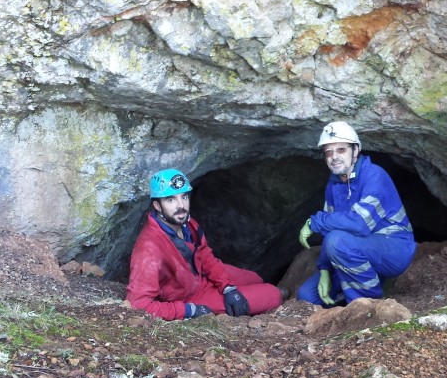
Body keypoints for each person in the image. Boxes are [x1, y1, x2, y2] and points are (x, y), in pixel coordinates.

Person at [127, 168, 284, 321]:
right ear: (157, 205)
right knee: (273, 295)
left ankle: (272, 290)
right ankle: (282, 293)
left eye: (184, 197)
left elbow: (205, 256)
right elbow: (140, 304)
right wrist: (189, 310)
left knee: (254, 277)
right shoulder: (149, 250)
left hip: (201, 276)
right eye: (170, 200)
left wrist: (227, 287)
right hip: (189, 296)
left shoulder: (185, 223)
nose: (180, 205)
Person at [296, 121, 416, 307]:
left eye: (341, 150)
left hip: (394, 248)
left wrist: (315, 222)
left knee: (338, 241)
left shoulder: (374, 175)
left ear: (356, 150)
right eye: (328, 152)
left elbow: (360, 224)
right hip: (358, 249)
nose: (334, 157)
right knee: (307, 296)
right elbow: (330, 234)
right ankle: (357, 289)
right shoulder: (334, 185)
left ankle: (367, 305)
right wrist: (325, 269)